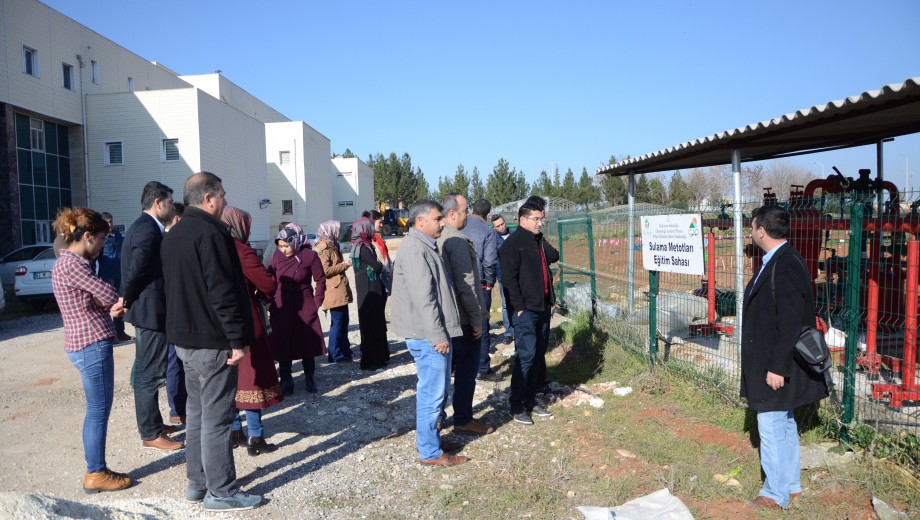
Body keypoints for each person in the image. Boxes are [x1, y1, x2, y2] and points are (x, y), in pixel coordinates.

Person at [161, 171, 262, 511]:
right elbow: (223, 292)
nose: (225, 200)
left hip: (185, 341)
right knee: (216, 417)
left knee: (196, 413)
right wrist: (236, 340)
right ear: (208, 198)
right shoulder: (211, 234)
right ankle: (221, 491)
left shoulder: (173, 234)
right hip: (213, 341)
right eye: (222, 194)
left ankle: (198, 482)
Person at [742, 205, 828, 510]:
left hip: (776, 363)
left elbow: (791, 321)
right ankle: (791, 486)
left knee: (771, 424)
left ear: (761, 231)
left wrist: (777, 367)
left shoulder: (786, 263)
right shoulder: (779, 259)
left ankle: (774, 494)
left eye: (752, 228)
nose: (750, 233)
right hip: (771, 359)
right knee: (784, 421)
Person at [51, 207, 134, 493]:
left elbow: (96, 298)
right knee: (98, 411)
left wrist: (108, 303)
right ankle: (96, 472)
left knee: (97, 410)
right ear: (87, 236)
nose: (101, 245)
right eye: (100, 239)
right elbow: (108, 293)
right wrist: (114, 302)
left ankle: (96, 469)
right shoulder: (74, 265)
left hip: (84, 342)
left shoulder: (68, 262)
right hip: (91, 344)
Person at [391, 200, 467, 467]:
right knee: (431, 394)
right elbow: (425, 298)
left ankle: (431, 441)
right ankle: (430, 452)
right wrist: (437, 335)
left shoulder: (424, 245)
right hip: (428, 335)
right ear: (420, 221)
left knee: (437, 391)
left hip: (431, 333)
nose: (443, 223)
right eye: (437, 219)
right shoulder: (415, 249)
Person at [121, 181, 183, 451]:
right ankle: (150, 432)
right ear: (157, 203)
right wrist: (125, 299)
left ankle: (154, 424)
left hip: (150, 309)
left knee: (150, 370)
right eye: (169, 202)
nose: (172, 207)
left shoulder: (145, 227)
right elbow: (135, 270)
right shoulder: (147, 229)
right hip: (150, 311)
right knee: (149, 373)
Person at [222, 207, 283, 456]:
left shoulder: (214, 247)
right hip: (245, 316)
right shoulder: (240, 249)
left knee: (230, 375)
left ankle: (235, 429)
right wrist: (263, 293)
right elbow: (267, 282)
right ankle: (255, 435)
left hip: (219, 319)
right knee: (251, 374)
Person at [499, 201, 559, 426]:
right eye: (536, 219)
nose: (540, 223)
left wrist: (541, 238)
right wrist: (519, 307)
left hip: (543, 306)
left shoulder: (537, 240)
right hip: (526, 310)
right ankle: (516, 405)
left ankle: (531, 399)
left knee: (538, 354)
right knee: (526, 355)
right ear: (523, 220)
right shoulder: (513, 244)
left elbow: (554, 255)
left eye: (541, 219)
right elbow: (509, 280)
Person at [438, 194, 494, 436]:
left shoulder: (437, 237)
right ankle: (463, 418)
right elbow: (466, 285)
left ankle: (438, 419)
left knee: (443, 373)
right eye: (464, 211)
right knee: (465, 372)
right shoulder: (457, 241)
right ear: (452, 214)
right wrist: (476, 319)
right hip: (462, 319)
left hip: (447, 317)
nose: (468, 215)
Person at [268, 223, 327, 394]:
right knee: (283, 342)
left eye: (286, 246)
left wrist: (316, 303)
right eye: (280, 246)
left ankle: (309, 376)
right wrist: (269, 302)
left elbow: (320, 280)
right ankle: (286, 379)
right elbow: (270, 278)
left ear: (295, 241)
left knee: (306, 342)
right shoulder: (277, 256)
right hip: (282, 305)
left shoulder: (309, 256)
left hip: (305, 305)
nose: (283, 250)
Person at [462, 198, 502, 382]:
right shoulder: (488, 232)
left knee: (463, 324)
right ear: (488, 214)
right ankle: (483, 368)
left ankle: (459, 365)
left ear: (472, 210)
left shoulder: (460, 227)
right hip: (480, 284)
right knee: (482, 326)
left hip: (461, 283)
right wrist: (490, 282)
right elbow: (489, 261)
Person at [350, 217, 390, 370]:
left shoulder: (362, 245)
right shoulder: (363, 248)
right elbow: (377, 266)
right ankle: (370, 360)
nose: (372, 229)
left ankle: (378, 358)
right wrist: (380, 266)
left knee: (374, 323)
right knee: (371, 325)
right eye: (370, 227)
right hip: (369, 289)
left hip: (368, 288)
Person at [316, 220, 354, 363]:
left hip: (339, 289)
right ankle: (334, 354)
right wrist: (343, 265)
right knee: (337, 323)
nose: (340, 232)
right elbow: (324, 270)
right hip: (333, 290)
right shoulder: (323, 248)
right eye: (337, 230)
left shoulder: (333, 245)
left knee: (343, 322)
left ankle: (345, 351)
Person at [164, 201, 187, 425]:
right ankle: (178, 408)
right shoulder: (173, 241)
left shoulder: (164, 239)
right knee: (176, 361)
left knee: (175, 361)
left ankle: (177, 408)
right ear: (179, 219)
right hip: (175, 308)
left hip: (171, 307)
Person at [97, 212, 131, 343]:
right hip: (107, 274)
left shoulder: (117, 234)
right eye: (107, 222)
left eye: (111, 221)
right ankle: (110, 334)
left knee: (119, 302)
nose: (110, 224)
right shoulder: (100, 237)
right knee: (107, 304)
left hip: (119, 273)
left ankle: (120, 332)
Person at [491, 213, 514, 343]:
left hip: (517, 275)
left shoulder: (514, 235)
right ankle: (509, 332)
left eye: (502, 224)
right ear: (494, 227)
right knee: (506, 305)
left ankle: (520, 329)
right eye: (498, 226)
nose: (501, 227)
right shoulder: (493, 239)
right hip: (503, 277)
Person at [367, 210, 394, 292]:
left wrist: (390, 269)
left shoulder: (378, 238)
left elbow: (385, 256)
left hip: (385, 274)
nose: (382, 225)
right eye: (380, 222)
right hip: (378, 279)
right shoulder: (369, 240)